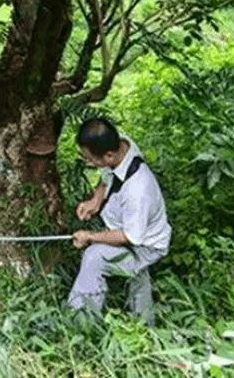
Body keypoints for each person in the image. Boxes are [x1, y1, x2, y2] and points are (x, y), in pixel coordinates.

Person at [68, 117, 170, 324]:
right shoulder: (122, 144)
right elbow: (107, 174)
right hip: (130, 226)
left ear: (109, 154)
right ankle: (144, 323)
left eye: (90, 159)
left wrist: (90, 237)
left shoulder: (138, 190)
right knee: (136, 275)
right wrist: (95, 200)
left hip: (144, 246)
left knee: (95, 257)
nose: (89, 163)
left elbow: (129, 237)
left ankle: (79, 323)